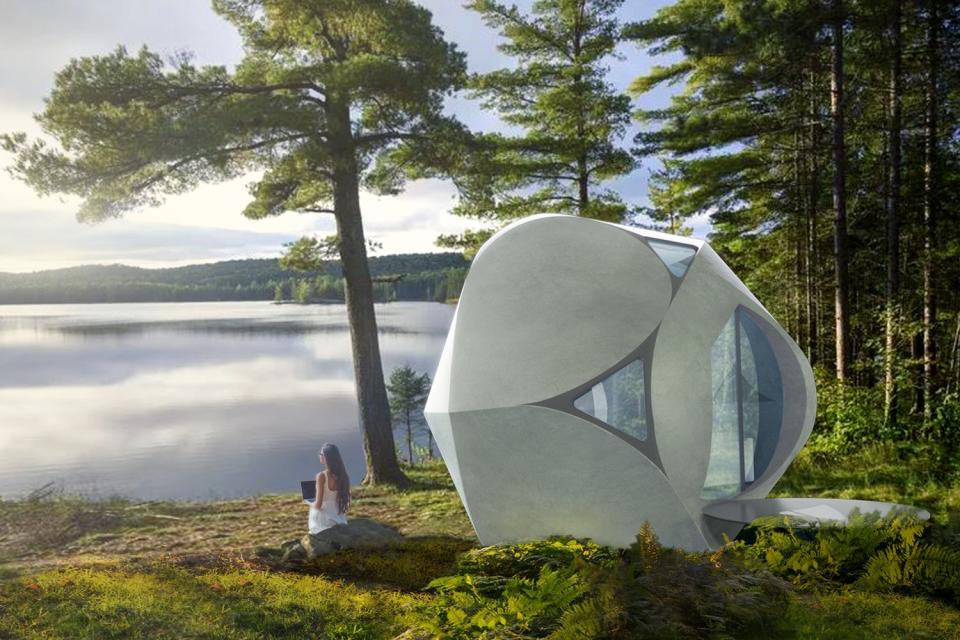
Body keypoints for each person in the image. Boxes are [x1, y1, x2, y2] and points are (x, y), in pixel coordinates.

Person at [307, 442, 351, 534]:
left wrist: (310, 503)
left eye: (321, 454)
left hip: (324, 520)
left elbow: (318, 505)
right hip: (338, 517)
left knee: (313, 507)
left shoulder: (321, 476)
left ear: (326, 458)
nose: (319, 456)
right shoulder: (343, 475)